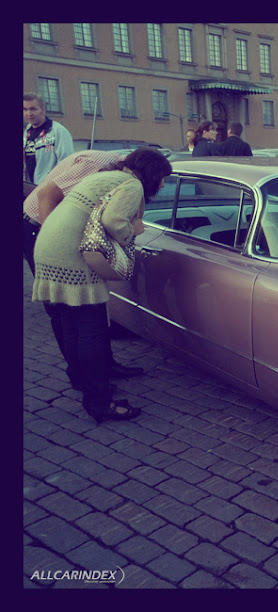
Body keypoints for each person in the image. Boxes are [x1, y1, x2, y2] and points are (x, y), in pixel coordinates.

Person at [32, 148, 173, 424]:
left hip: (49, 246)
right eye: (162, 178)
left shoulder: (108, 176)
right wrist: (132, 231)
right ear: (152, 174)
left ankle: (82, 380)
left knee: (71, 325)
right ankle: (99, 401)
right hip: (73, 255)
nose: (164, 184)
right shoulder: (131, 185)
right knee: (91, 330)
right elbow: (112, 221)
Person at [23, 150, 145, 382]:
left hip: (59, 230)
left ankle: (102, 367)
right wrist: (54, 239)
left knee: (91, 313)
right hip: (38, 226)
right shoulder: (97, 164)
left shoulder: (116, 170)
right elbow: (46, 195)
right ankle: (80, 374)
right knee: (65, 309)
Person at [24, 92, 74, 185]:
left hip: (49, 188)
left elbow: (66, 164)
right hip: (29, 187)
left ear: (43, 110)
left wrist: (51, 187)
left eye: (33, 109)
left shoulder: (58, 131)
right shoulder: (26, 133)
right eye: (25, 109)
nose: (29, 113)